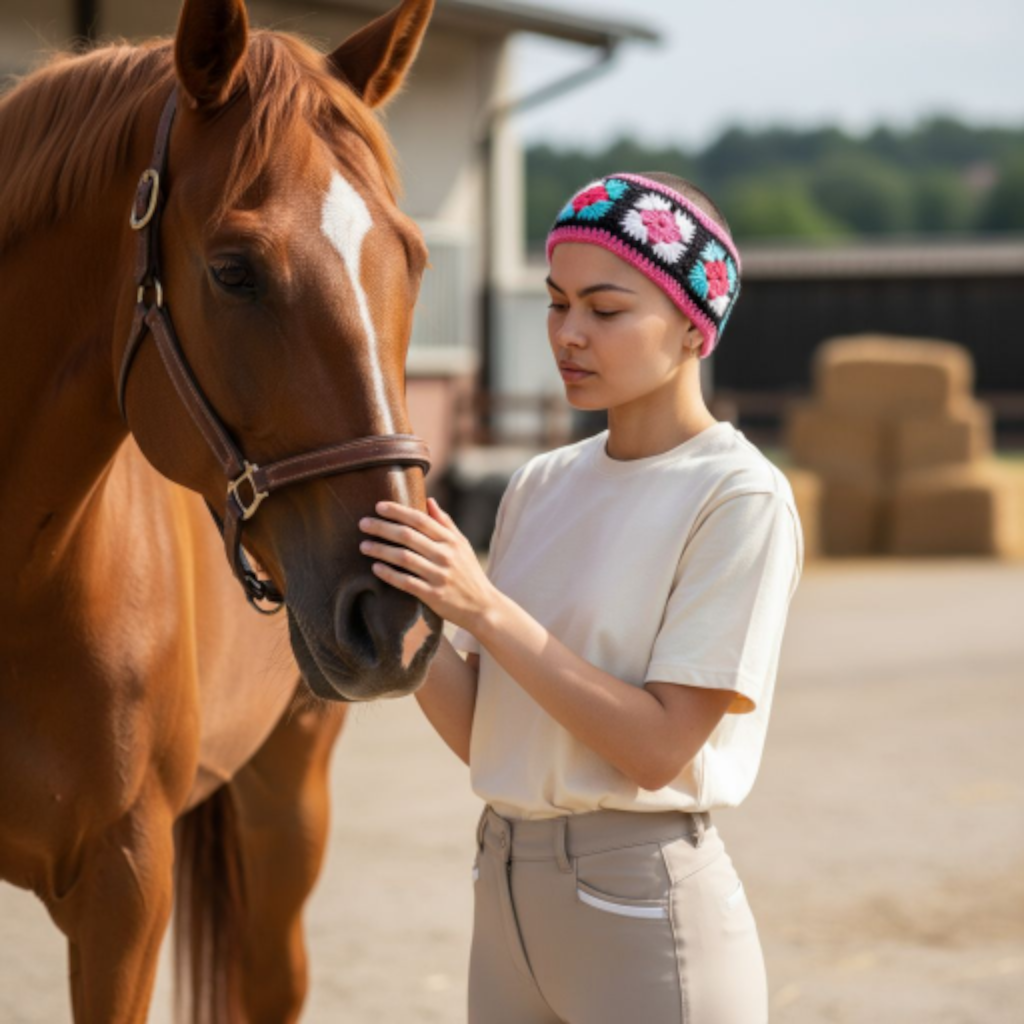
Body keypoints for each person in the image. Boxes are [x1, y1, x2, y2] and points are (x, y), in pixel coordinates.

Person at [357, 170, 804, 1023]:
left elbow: (658, 748)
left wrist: (482, 606)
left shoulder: (738, 496)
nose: (569, 333)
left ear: (695, 325)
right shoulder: (540, 484)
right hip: (504, 892)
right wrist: (407, 596)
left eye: (605, 310)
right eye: (557, 303)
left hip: (641, 913)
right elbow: (488, 733)